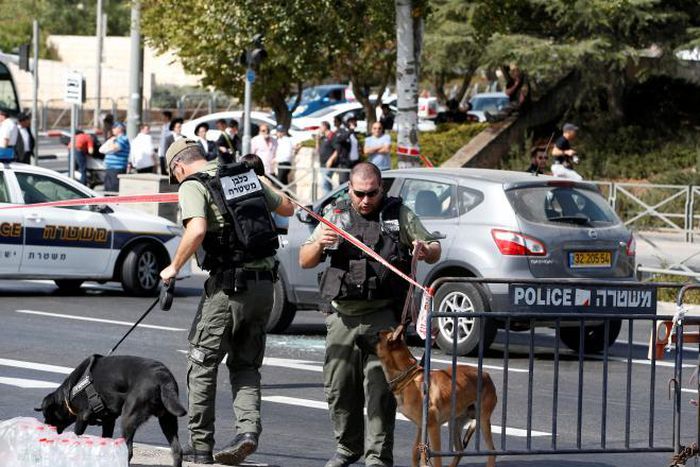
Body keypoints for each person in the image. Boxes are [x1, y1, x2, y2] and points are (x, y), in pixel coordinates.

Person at [160, 139, 294, 466]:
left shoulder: (193, 185)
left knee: (202, 363)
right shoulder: (242, 175)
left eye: (173, 174)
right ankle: (248, 432)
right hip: (265, 287)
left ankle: (201, 446)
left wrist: (173, 268)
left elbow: (197, 230)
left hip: (228, 288)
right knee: (245, 365)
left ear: (177, 167)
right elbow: (287, 208)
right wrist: (263, 185)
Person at [299, 162, 441, 467]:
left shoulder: (397, 214)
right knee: (339, 388)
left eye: (372, 193)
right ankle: (348, 448)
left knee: (379, 391)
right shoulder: (335, 215)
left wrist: (423, 249)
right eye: (359, 193)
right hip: (342, 317)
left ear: (382, 189)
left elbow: (433, 246)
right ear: (349, 189)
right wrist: (319, 245)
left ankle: (378, 457)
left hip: (382, 318)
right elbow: (304, 260)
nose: (365, 200)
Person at [100, 121, 130, 192]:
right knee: (108, 190)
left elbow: (114, 148)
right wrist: (110, 141)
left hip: (117, 169)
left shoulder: (123, 139)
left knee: (113, 191)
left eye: (114, 128)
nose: (112, 130)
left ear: (120, 129)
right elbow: (101, 150)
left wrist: (110, 143)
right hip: (110, 169)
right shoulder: (114, 139)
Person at [326, 116, 351, 185]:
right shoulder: (338, 132)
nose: (334, 123)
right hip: (342, 162)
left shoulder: (343, 131)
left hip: (348, 162)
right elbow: (339, 142)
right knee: (343, 183)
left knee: (346, 182)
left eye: (335, 121)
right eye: (334, 121)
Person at [315, 121, 335, 195]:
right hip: (322, 164)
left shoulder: (332, 136)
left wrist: (331, 159)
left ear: (325, 127)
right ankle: (330, 201)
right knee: (327, 185)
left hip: (329, 164)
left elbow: (337, 149)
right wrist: (317, 141)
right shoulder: (323, 137)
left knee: (324, 184)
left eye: (321, 127)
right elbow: (318, 151)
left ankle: (327, 202)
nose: (320, 129)